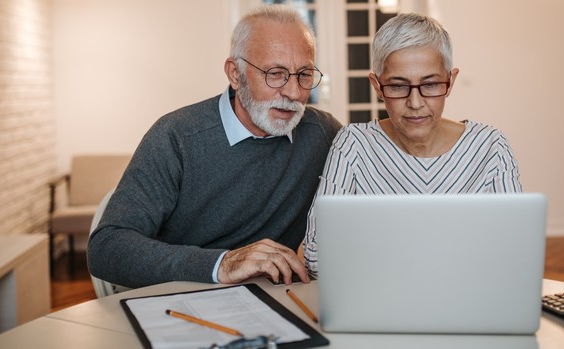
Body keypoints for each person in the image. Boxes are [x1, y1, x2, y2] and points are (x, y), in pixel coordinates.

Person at [88, 5, 342, 288]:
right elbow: (106, 248)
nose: (294, 93)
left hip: (282, 300)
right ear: (235, 74)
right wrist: (223, 264)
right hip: (187, 301)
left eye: (304, 75)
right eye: (275, 73)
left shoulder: (323, 133)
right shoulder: (177, 137)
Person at [302, 13, 522, 273]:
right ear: (377, 85)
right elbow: (315, 255)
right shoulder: (353, 145)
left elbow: (516, 252)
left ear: (450, 81)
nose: (415, 103)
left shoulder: (491, 147)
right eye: (397, 86)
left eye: (430, 85)